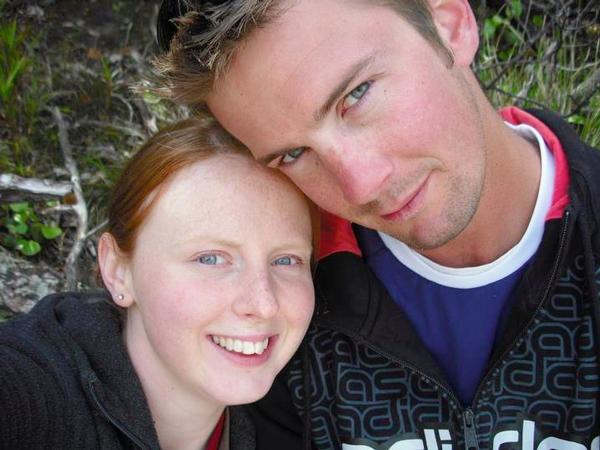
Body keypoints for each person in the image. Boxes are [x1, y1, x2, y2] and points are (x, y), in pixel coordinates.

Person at [153, 1, 600, 449]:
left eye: (357, 94)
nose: (361, 186)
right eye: (293, 155)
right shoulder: (276, 314)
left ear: (450, 23)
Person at [0, 116, 318, 450]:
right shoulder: (38, 390)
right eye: (210, 258)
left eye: (286, 260)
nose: (264, 303)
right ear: (117, 270)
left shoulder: (295, 415)